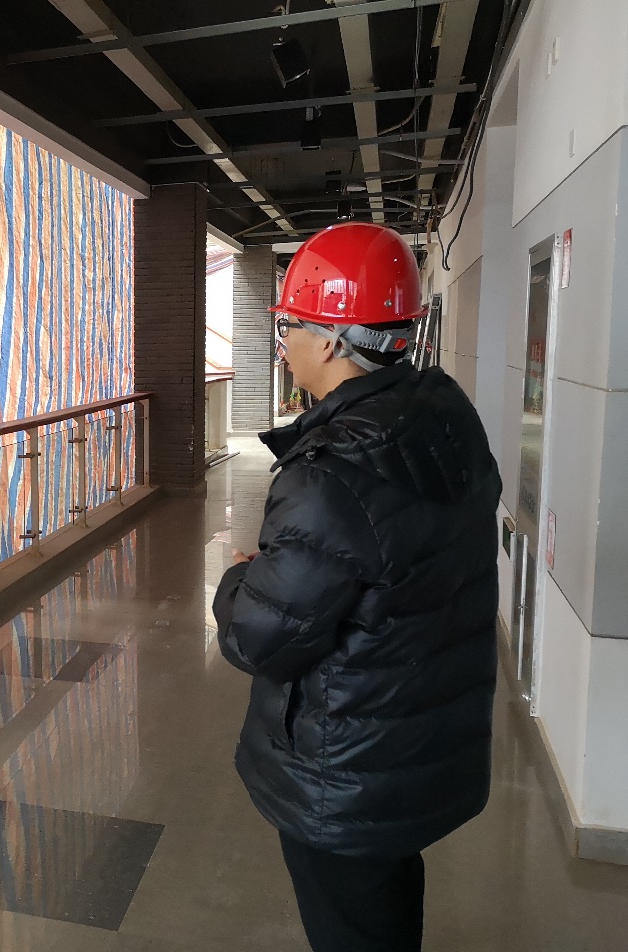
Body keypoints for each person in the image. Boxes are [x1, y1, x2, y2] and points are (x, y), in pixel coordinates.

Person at [212, 222, 501, 952]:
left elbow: (258, 639)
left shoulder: (332, 472)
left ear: (334, 340)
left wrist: (241, 577)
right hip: (411, 736)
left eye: (290, 327)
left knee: (351, 921)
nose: (283, 343)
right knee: (386, 896)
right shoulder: (442, 419)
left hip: (344, 761)